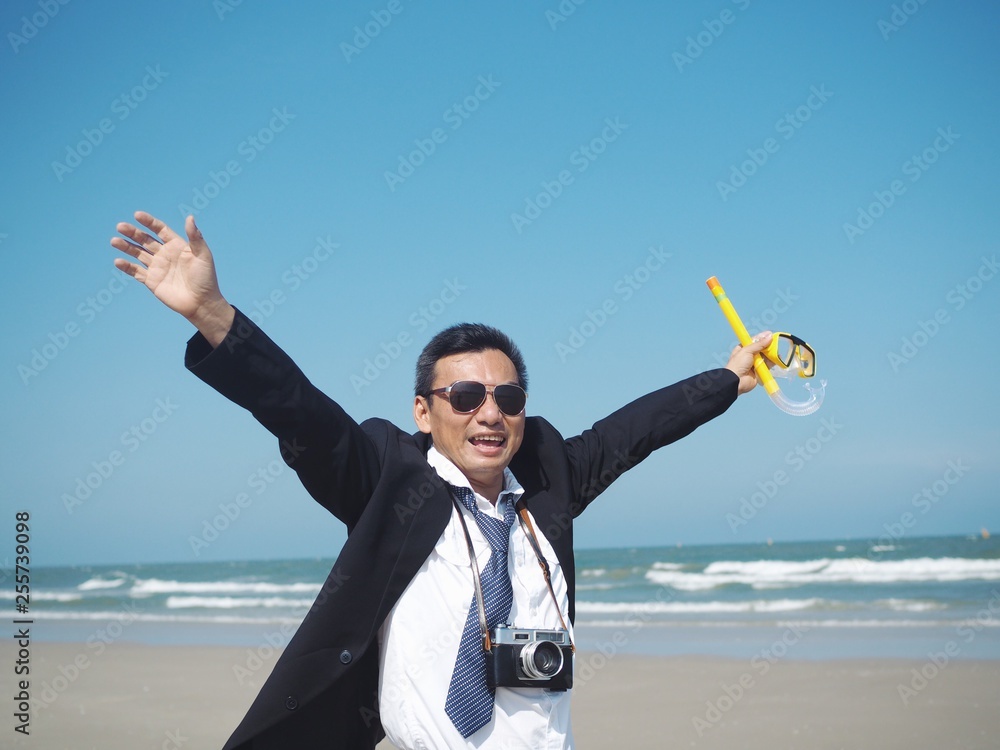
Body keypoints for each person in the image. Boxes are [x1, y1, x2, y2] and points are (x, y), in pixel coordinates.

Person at [111, 211, 772, 750]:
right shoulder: (386, 481)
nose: (489, 412)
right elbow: (299, 410)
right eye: (464, 395)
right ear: (424, 411)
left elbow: (634, 433)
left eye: (508, 397)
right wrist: (213, 315)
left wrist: (727, 380)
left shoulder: (549, 484)